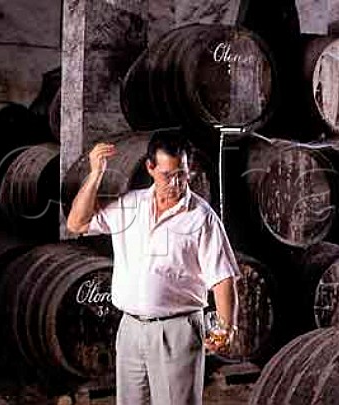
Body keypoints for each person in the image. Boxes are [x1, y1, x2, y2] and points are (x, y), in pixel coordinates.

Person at [66, 128, 240, 405]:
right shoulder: (130, 206)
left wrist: (227, 327)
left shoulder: (201, 217)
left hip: (178, 330)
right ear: (150, 168)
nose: (175, 183)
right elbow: (76, 223)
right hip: (131, 329)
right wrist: (95, 174)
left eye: (181, 174)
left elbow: (223, 277)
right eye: (167, 175)